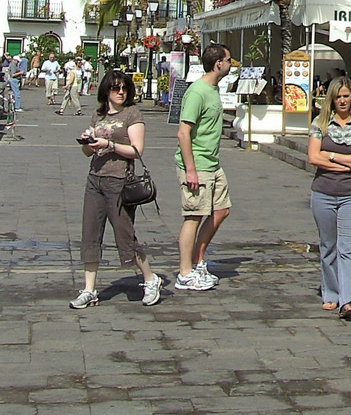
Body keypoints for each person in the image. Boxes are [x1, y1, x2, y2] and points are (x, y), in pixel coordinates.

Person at [69, 70, 162, 308]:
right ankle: (89, 289)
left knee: (124, 234)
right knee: (90, 233)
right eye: (115, 88)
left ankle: (150, 279)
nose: (121, 92)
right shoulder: (98, 115)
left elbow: (136, 150)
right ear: (106, 91)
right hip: (95, 178)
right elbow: (87, 152)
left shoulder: (132, 114)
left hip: (119, 181)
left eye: (124, 88)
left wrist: (110, 144)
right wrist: (88, 143)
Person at [308, 76, 351, 317]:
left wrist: (332, 156)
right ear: (332, 100)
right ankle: (331, 293)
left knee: (347, 247)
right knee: (328, 246)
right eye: (338, 97)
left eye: (346, 96)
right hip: (323, 192)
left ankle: (348, 300)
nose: (342, 100)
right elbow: (314, 157)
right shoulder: (320, 124)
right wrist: (346, 164)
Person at [174, 44, 233, 292]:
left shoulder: (213, 89)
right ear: (218, 63)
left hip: (212, 163)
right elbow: (183, 132)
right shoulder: (197, 92)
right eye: (228, 60)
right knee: (194, 216)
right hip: (197, 164)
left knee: (221, 209)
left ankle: (197, 260)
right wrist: (191, 170)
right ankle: (185, 273)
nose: (231, 64)